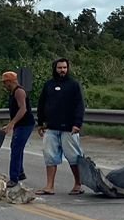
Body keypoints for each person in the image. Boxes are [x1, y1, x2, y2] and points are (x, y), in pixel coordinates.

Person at [36, 58, 86, 195]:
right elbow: (41, 104)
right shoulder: (48, 85)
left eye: (64, 67)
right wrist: (40, 123)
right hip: (51, 128)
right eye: (59, 68)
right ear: (55, 69)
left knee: (74, 157)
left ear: (68, 68)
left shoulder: (74, 85)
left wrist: (77, 124)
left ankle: (78, 184)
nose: (62, 70)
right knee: (50, 157)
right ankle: (49, 186)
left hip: (69, 128)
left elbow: (79, 105)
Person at [0, 71, 35, 188]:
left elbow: (23, 109)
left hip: (25, 124)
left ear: (10, 81)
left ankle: (14, 178)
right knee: (16, 147)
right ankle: (20, 172)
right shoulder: (13, 92)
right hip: (21, 125)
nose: (4, 85)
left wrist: (12, 124)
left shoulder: (19, 91)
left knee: (16, 149)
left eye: (4, 83)